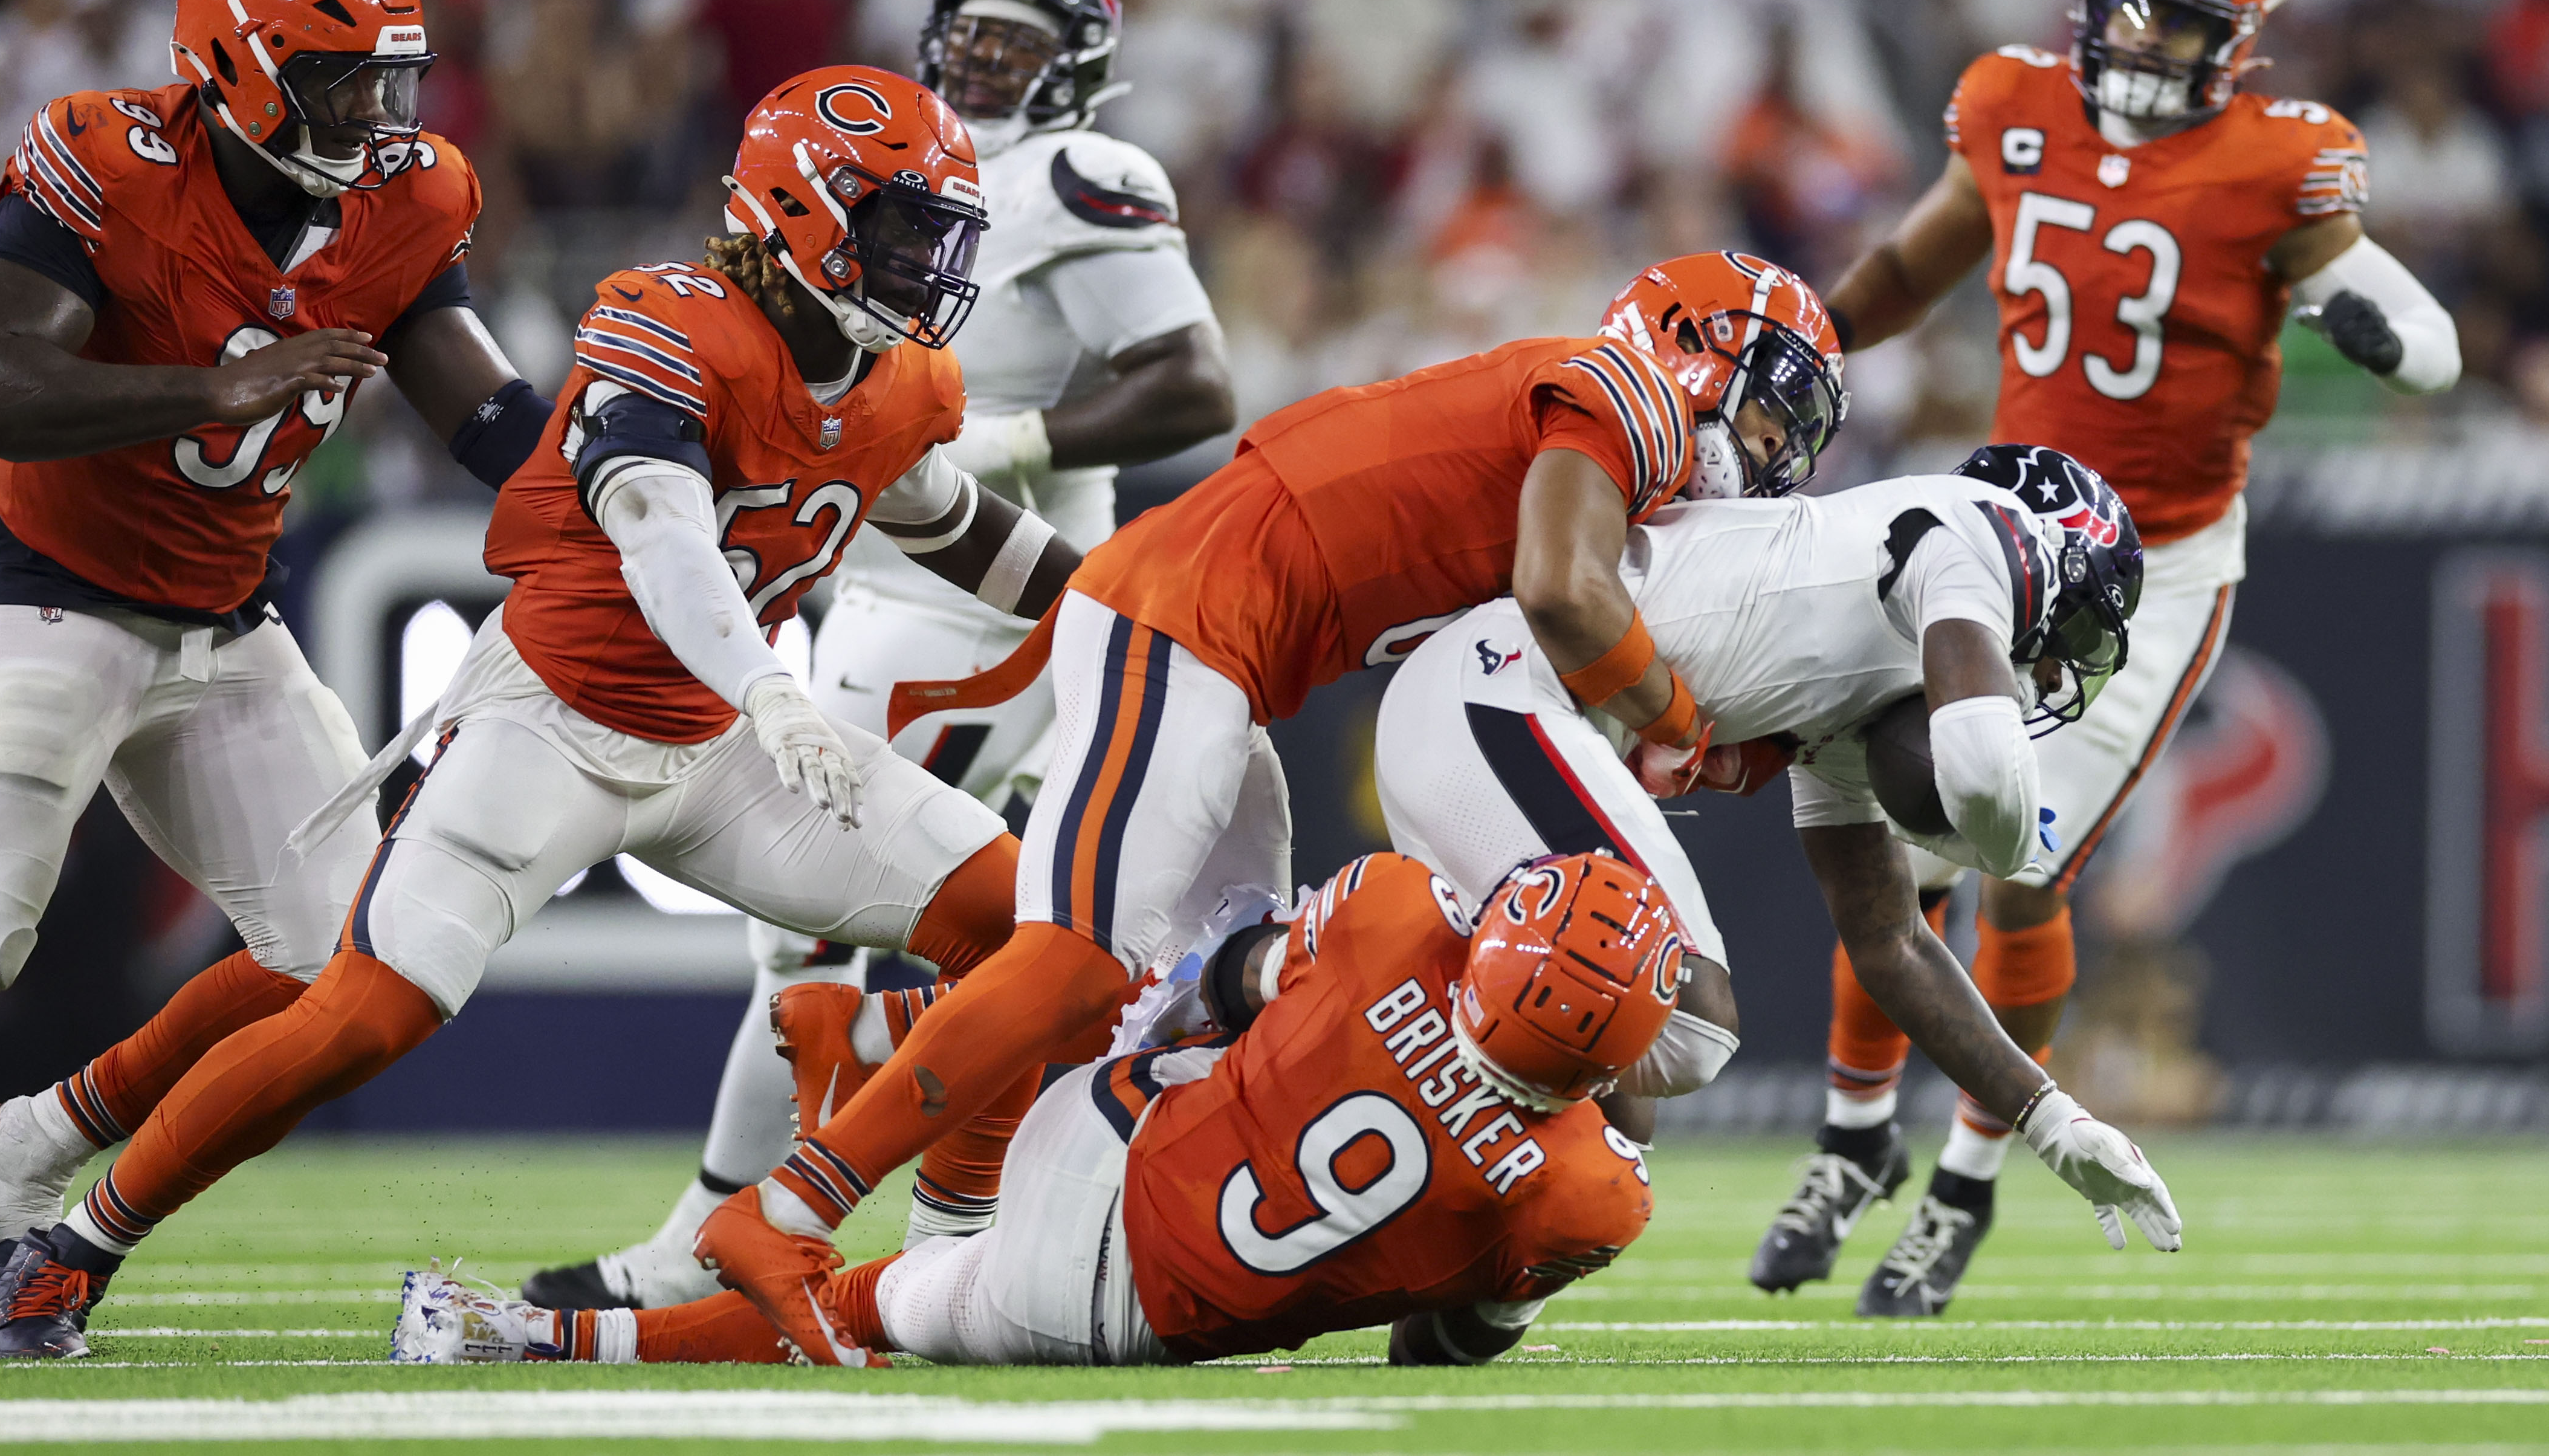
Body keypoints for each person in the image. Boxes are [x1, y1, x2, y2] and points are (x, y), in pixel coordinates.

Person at [0, 65, 1089, 1360]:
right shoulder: (669, 323)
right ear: (802, 210)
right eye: (904, 225)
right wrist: (775, 689)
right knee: (356, 1016)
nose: (927, 261)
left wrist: (1144, 618)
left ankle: (954, 1247)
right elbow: (663, 536)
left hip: (725, 743)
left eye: (937, 231)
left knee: (1027, 927)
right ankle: (67, 1257)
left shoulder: (900, 379)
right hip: (552, 722)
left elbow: (950, 522)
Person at [693, 249, 1848, 1363]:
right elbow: (1560, 589)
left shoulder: (1599, 441)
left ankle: (874, 1034)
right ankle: (790, 1206)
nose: (1767, 457)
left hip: (1227, 656)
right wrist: (1684, 725)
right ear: (1699, 348)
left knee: (1226, 983)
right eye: (1765, 419)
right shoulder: (1624, 398)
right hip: (1188, 618)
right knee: (1081, 961)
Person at [1754, 0, 2460, 1316]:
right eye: (2130, 8)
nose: (2143, 39)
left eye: (2180, 20)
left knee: (2019, 865)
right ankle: (1849, 1142)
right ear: (2088, 4)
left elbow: (2401, 316)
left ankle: (1965, 1177)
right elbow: (1906, 271)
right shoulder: (2014, 109)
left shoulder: (2282, 164)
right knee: (1900, 846)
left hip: (2166, 563)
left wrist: (2402, 334)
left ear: (2232, 48)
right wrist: (1791, 350)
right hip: (2014, 533)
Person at [523, 0, 1236, 1314]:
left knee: (856, 942)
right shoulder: (912, 152)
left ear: (1078, 64)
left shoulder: (1084, 175)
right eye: (973, 30)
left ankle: (753, 1234)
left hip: (974, 609)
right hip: (880, 583)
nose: (982, 59)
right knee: (893, 941)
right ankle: (890, 1220)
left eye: (1018, 44)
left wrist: (1013, 441)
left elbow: (1197, 383)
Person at [0, 0, 551, 1258]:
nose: (377, 110)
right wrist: (212, 383)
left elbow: (492, 421)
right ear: (234, 67)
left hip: (228, 633)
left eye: (393, 77)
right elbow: (6, 384)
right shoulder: (104, 158)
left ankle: (37, 1143)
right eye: (340, 78)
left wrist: (641, 495)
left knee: (348, 961)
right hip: (42, 597)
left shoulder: (408, 196)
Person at [393, 850, 1682, 1368]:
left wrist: (1295, 1035)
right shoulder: (1594, 1193)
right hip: (1107, 1324)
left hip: (1106, 1137)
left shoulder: (1402, 914)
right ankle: (529, 1337)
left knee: (1092, 970)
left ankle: (882, 1039)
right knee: (857, 1311)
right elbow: (1438, 1355)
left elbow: (1222, 990)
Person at [1373, 442, 2182, 1252]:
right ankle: (1360, 1025)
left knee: (1612, 1145)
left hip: (1494, 717)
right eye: (2072, 624)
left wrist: (2051, 1121)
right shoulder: (1980, 534)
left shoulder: (1870, 673)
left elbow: (1892, 943)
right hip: (1501, 692)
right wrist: (2015, 852)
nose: (2049, 670)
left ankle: (1470, 1287)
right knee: (1686, 1020)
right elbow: (1983, 779)